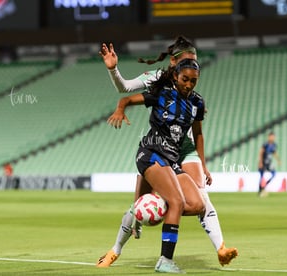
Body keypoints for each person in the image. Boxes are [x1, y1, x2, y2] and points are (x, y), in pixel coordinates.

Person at [97, 36, 238, 268]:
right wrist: (114, 70)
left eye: (195, 62)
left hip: (184, 147)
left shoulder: (194, 98)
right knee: (141, 204)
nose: (193, 66)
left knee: (200, 199)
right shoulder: (157, 81)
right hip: (158, 146)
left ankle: (220, 248)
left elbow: (198, 131)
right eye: (188, 61)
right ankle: (116, 249)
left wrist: (203, 164)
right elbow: (124, 90)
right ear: (174, 63)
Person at [107, 58, 208, 273]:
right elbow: (126, 99)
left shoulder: (197, 103)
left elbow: (198, 134)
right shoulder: (162, 95)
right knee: (177, 202)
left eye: (193, 81)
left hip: (171, 161)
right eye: (184, 79)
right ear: (175, 77)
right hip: (151, 153)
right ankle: (164, 260)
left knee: (198, 205)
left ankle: (151, 208)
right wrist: (119, 109)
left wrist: (204, 165)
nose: (188, 84)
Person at [258, 132, 281, 197]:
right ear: (269, 137)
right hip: (263, 162)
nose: (272, 138)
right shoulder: (265, 144)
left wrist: (278, 160)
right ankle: (260, 190)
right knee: (261, 177)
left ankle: (264, 186)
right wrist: (260, 162)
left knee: (274, 174)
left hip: (269, 163)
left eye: (273, 137)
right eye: (271, 136)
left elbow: (274, 153)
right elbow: (261, 153)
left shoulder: (274, 145)